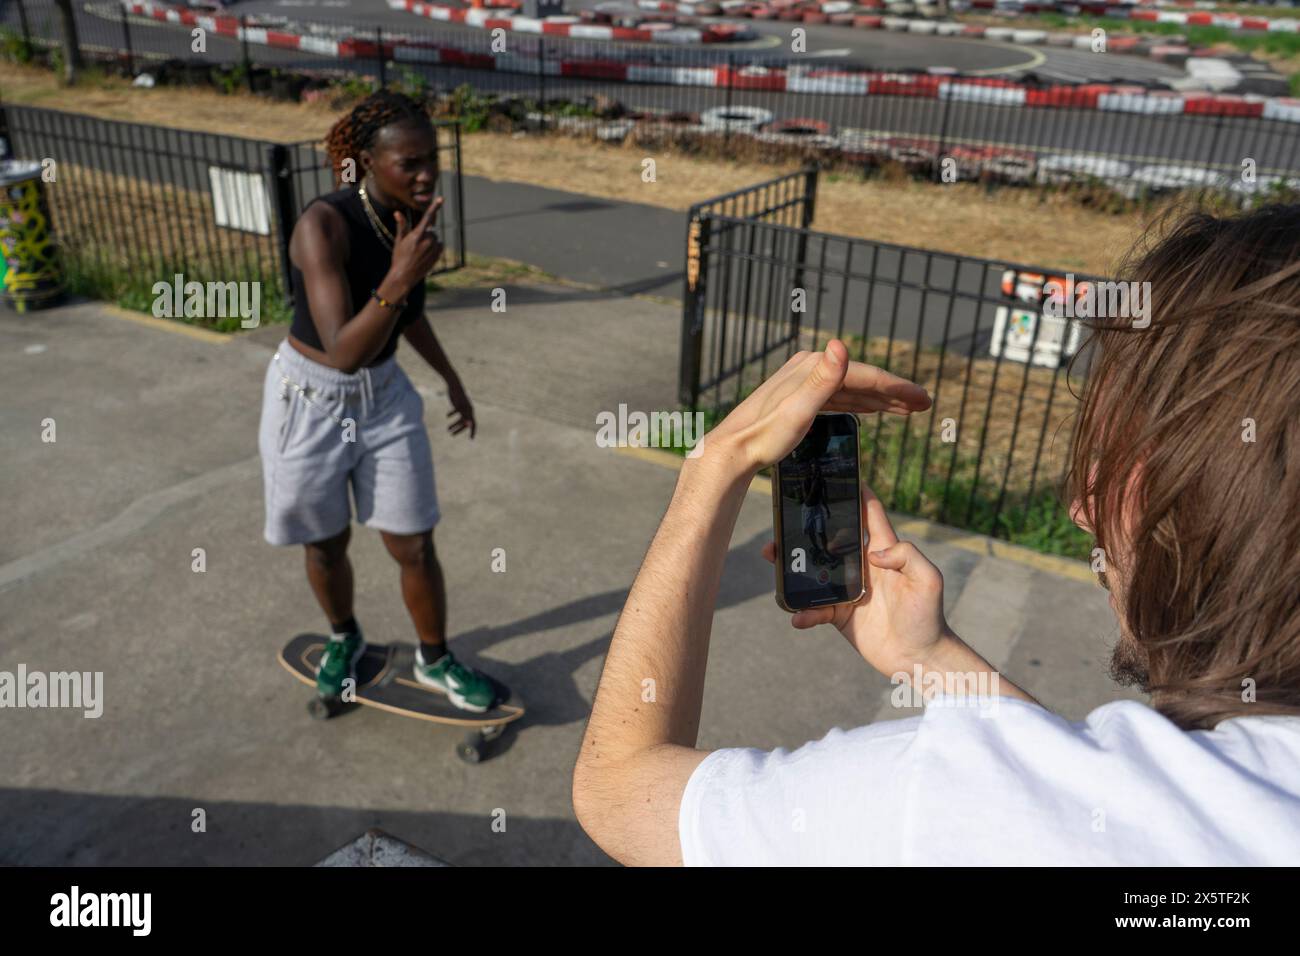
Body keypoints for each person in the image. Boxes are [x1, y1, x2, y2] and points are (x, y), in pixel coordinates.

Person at [572, 203, 1300, 865]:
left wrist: (714, 466)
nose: (1083, 509)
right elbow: (1104, 807)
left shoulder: (936, 803)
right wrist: (929, 659)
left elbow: (618, 792)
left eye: (1118, 472)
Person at [258, 90, 498, 712]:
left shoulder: (410, 222)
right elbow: (342, 350)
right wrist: (399, 274)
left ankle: (435, 657)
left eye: (432, 159)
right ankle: (344, 638)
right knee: (325, 540)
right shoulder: (322, 226)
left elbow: (404, 317)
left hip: (386, 396)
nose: (425, 174)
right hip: (313, 398)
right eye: (408, 163)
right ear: (368, 162)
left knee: (413, 542)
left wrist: (450, 378)